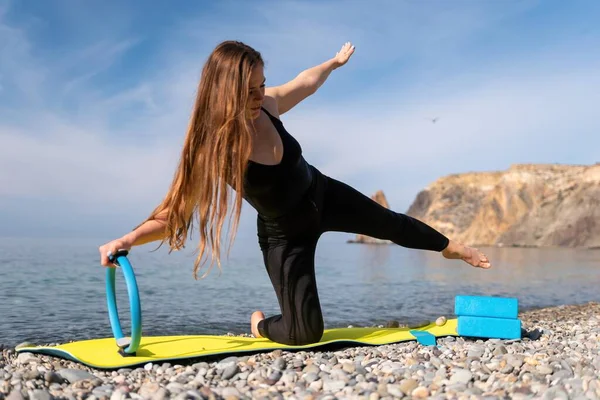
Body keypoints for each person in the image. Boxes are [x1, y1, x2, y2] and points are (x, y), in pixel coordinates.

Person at [99, 40, 492, 346]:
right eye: (249, 91)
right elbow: (175, 215)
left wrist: (333, 65)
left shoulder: (267, 106)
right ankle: (260, 325)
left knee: (390, 223)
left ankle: (450, 247)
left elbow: (306, 82)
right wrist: (129, 238)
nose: (259, 96)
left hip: (323, 193)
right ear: (223, 93)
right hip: (285, 236)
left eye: (261, 85)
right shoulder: (215, 150)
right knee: (305, 333)